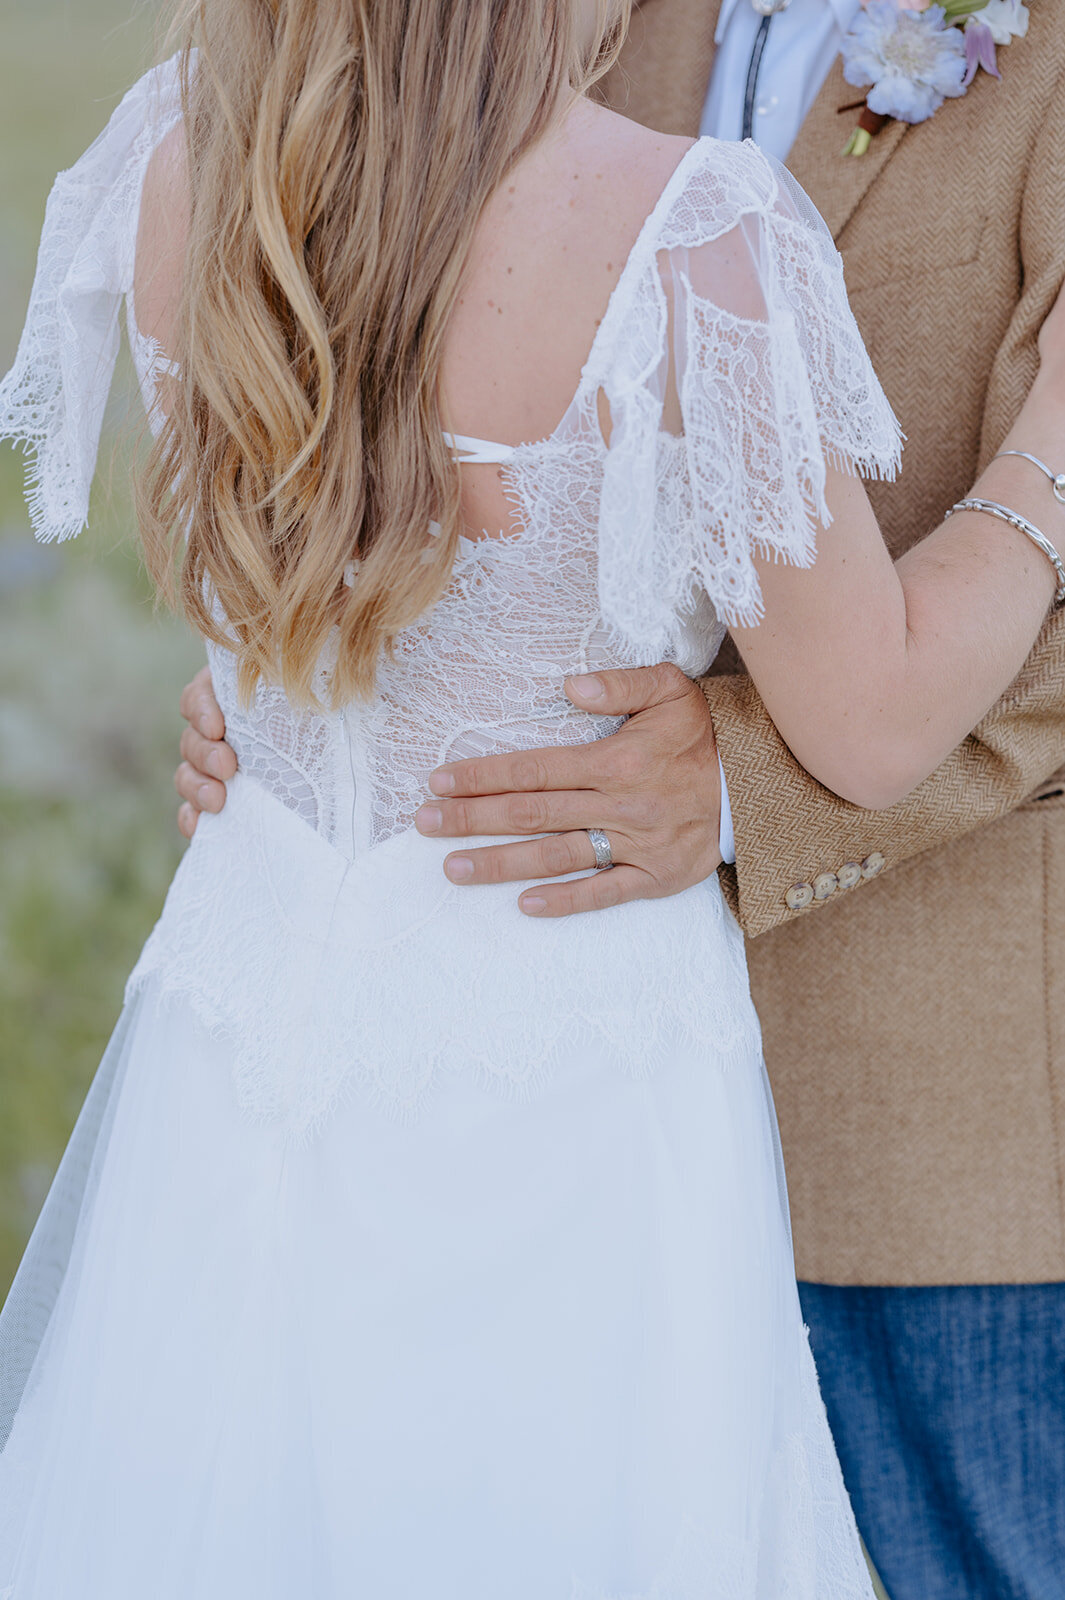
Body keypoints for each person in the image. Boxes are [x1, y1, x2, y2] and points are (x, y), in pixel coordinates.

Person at [2, 2, 1065, 1596]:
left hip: (255, 1080)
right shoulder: (680, 221)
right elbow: (876, 706)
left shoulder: (174, 148)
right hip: (570, 1100)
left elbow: (328, 538)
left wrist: (281, 692)